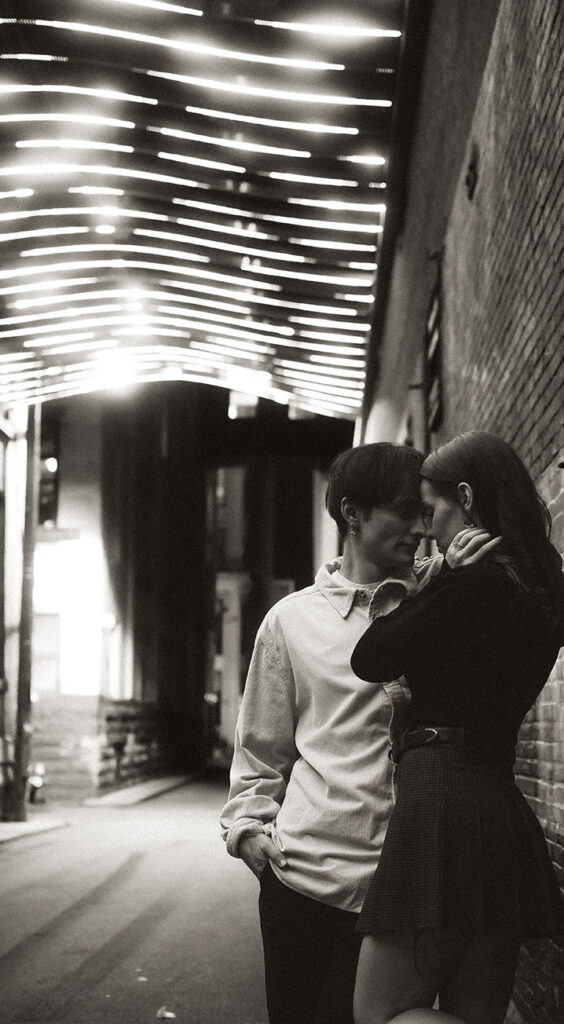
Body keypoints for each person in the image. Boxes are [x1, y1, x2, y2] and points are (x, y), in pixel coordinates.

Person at [220, 443, 443, 1024]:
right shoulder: (290, 621)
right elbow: (260, 750)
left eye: (427, 511)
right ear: (353, 513)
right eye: (406, 511)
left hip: (404, 891)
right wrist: (249, 832)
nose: (423, 528)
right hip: (302, 884)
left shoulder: (442, 603)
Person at [351, 431, 564, 1024]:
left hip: (442, 800)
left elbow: (370, 656)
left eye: (431, 509)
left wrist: (440, 578)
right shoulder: (542, 585)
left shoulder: (471, 585)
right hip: (494, 805)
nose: (425, 528)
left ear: (465, 498)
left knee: (377, 1013)